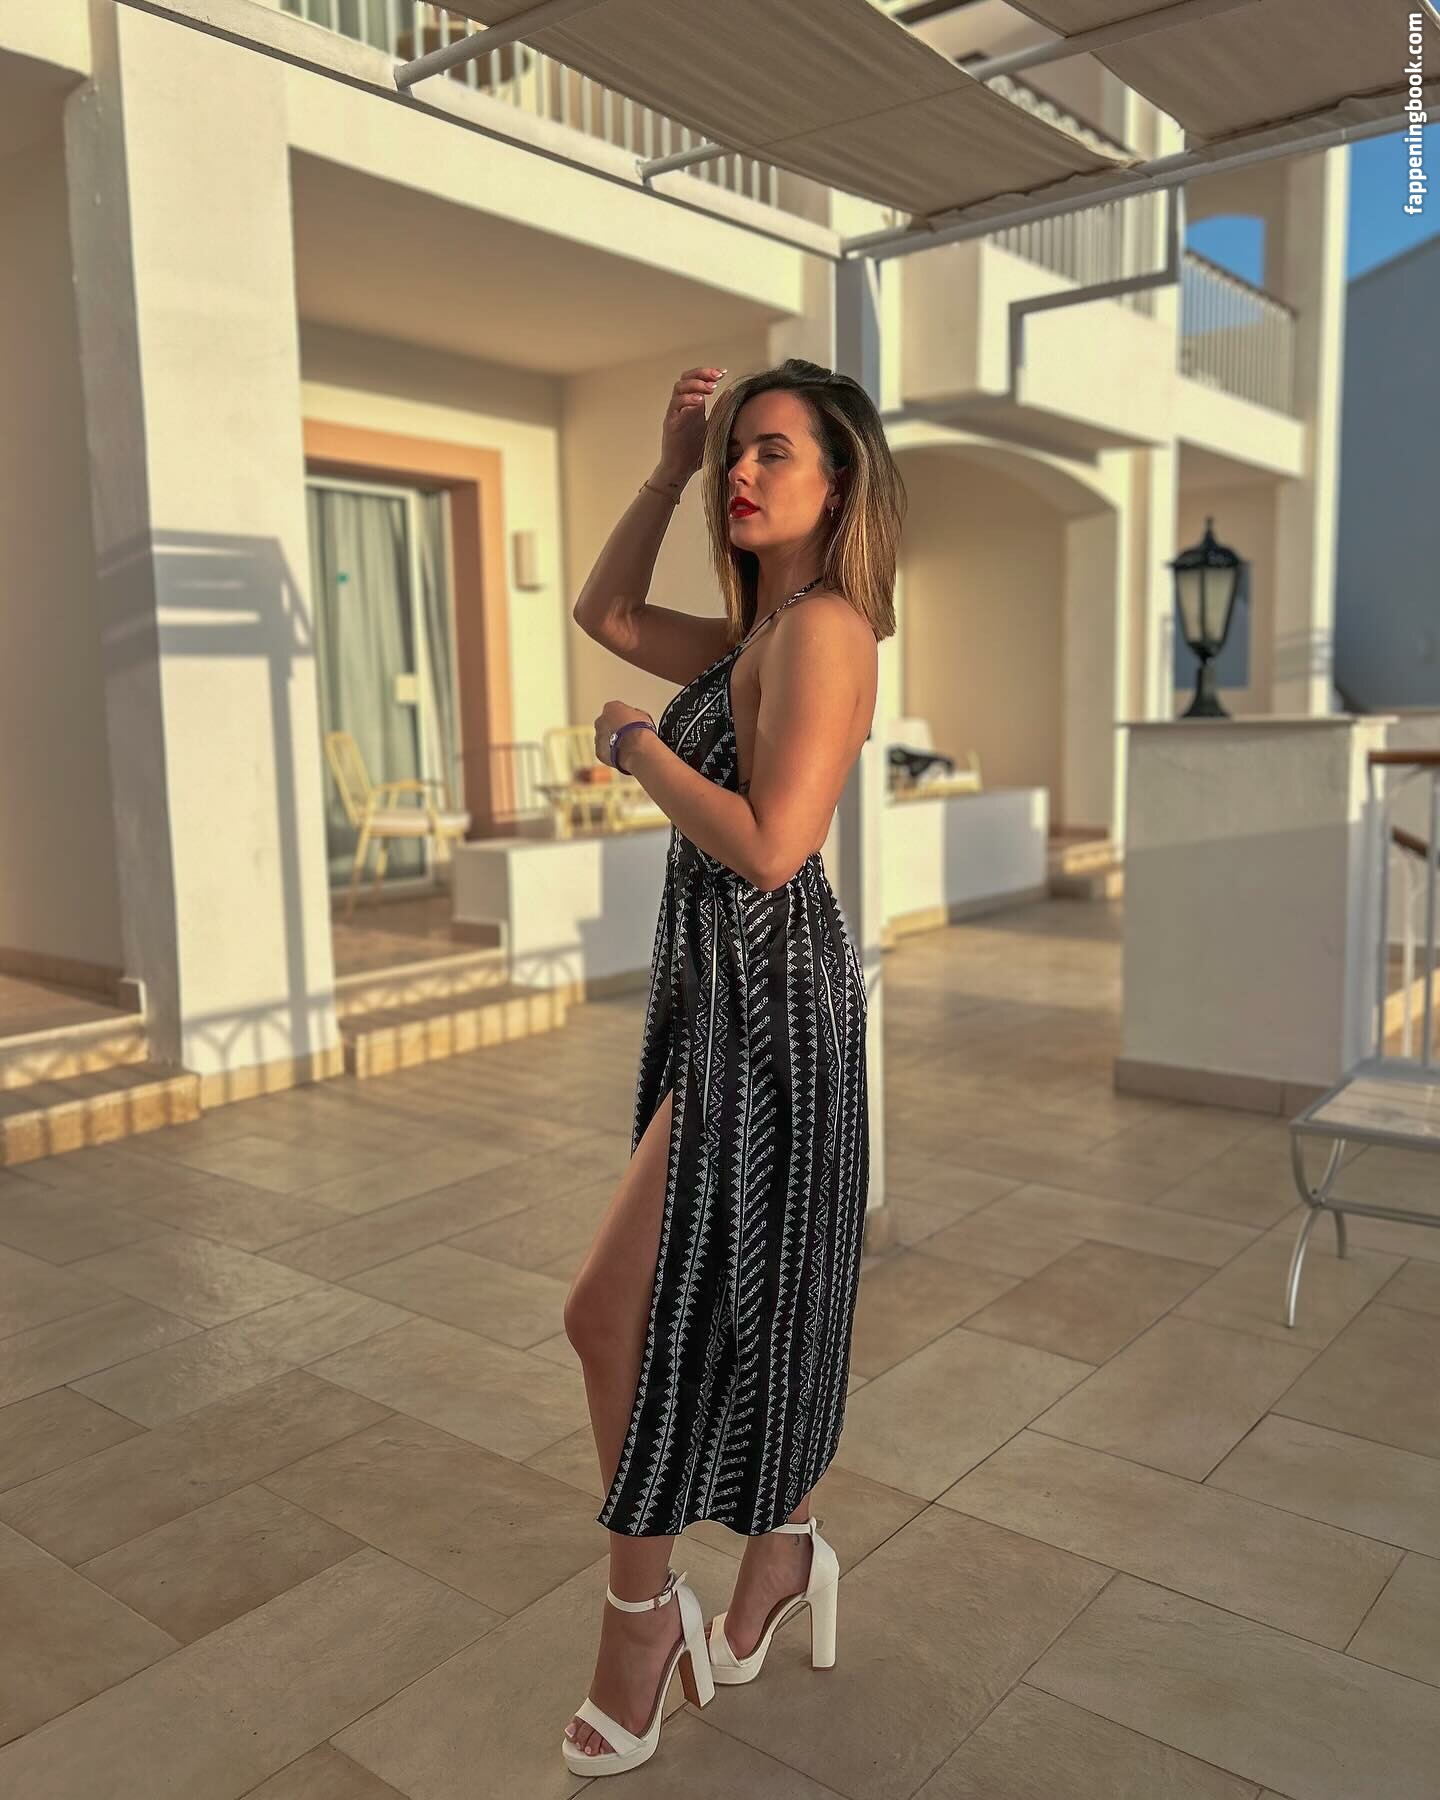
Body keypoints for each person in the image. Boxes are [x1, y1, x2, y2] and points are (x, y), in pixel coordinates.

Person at [561, 357, 904, 1775]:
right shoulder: (759, 630)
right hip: (724, 996)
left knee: (615, 1314)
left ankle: (641, 1622)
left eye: (774, 452)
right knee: (730, 1298)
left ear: (840, 480)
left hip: (767, 1008)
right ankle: (783, 1548)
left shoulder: (825, 631)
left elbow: (773, 847)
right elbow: (606, 614)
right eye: (734, 455)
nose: (742, 475)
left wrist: (638, 747)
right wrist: (664, 465)